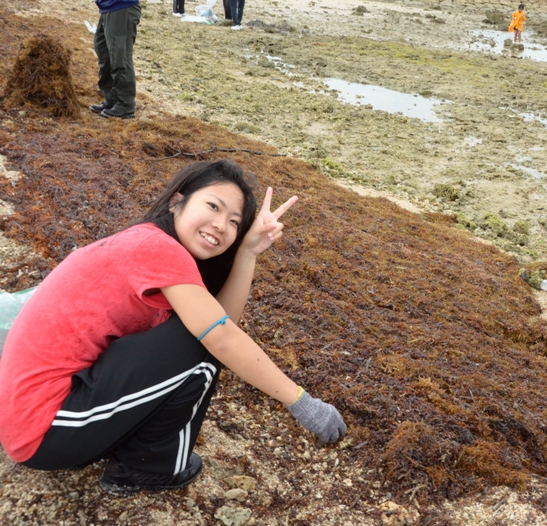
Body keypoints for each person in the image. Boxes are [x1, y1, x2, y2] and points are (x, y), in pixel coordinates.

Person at [0, 160, 346, 495]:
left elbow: (222, 321)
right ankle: (149, 468)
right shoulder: (158, 248)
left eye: (234, 222)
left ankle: (123, 449)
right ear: (176, 201)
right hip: (45, 430)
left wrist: (248, 252)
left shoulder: (146, 242)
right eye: (213, 206)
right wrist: (302, 403)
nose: (220, 225)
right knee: (203, 342)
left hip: (35, 421)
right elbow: (222, 338)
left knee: (202, 334)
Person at [89, 0, 142, 119]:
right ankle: (112, 99)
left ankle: (125, 105)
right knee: (104, 53)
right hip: (108, 7)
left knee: (120, 57)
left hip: (122, 7)